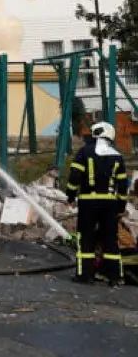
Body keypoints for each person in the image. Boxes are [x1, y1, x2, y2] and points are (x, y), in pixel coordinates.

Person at [66, 121, 129, 286]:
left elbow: (74, 177)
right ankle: (114, 276)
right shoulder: (117, 156)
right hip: (109, 204)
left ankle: (85, 275)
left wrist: (70, 196)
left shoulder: (84, 152)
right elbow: (122, 185)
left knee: (86, 237)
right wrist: (120, 207)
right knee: (110, 239)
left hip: (88, 201)